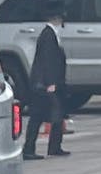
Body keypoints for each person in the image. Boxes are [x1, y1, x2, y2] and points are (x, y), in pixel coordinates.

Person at [24, 21, 71, 159]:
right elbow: (48, 60)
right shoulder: (48, 35)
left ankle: (53, 147)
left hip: (44, 83)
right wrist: (51, 82)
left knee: (53, 114)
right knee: (42, 115)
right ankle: (31, 149)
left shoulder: (50, 34)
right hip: (44, 84)